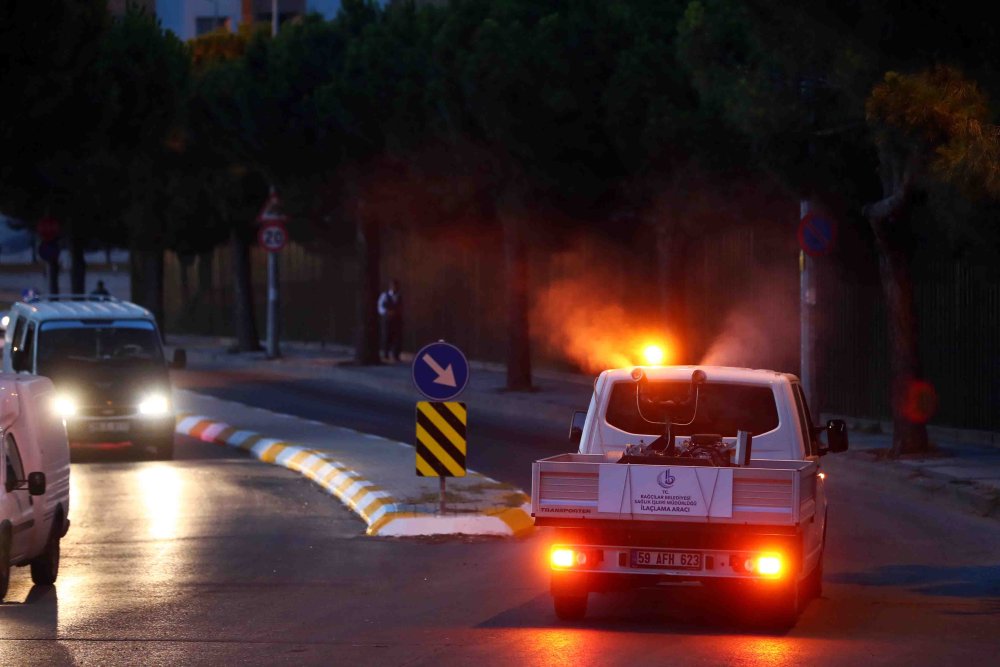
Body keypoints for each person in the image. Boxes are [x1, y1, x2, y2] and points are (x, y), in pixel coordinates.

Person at [377, 278, 402, 362]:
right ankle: (386, 354)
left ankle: (396, 355)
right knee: (386, 336)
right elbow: (380, 306)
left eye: (396, 286)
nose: (394, 287)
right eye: (393, 286)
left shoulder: (399, 296)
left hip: (397, 320)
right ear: (390, 286)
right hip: (387, 320)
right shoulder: (384, 295)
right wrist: (386, 312)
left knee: (397, 337)